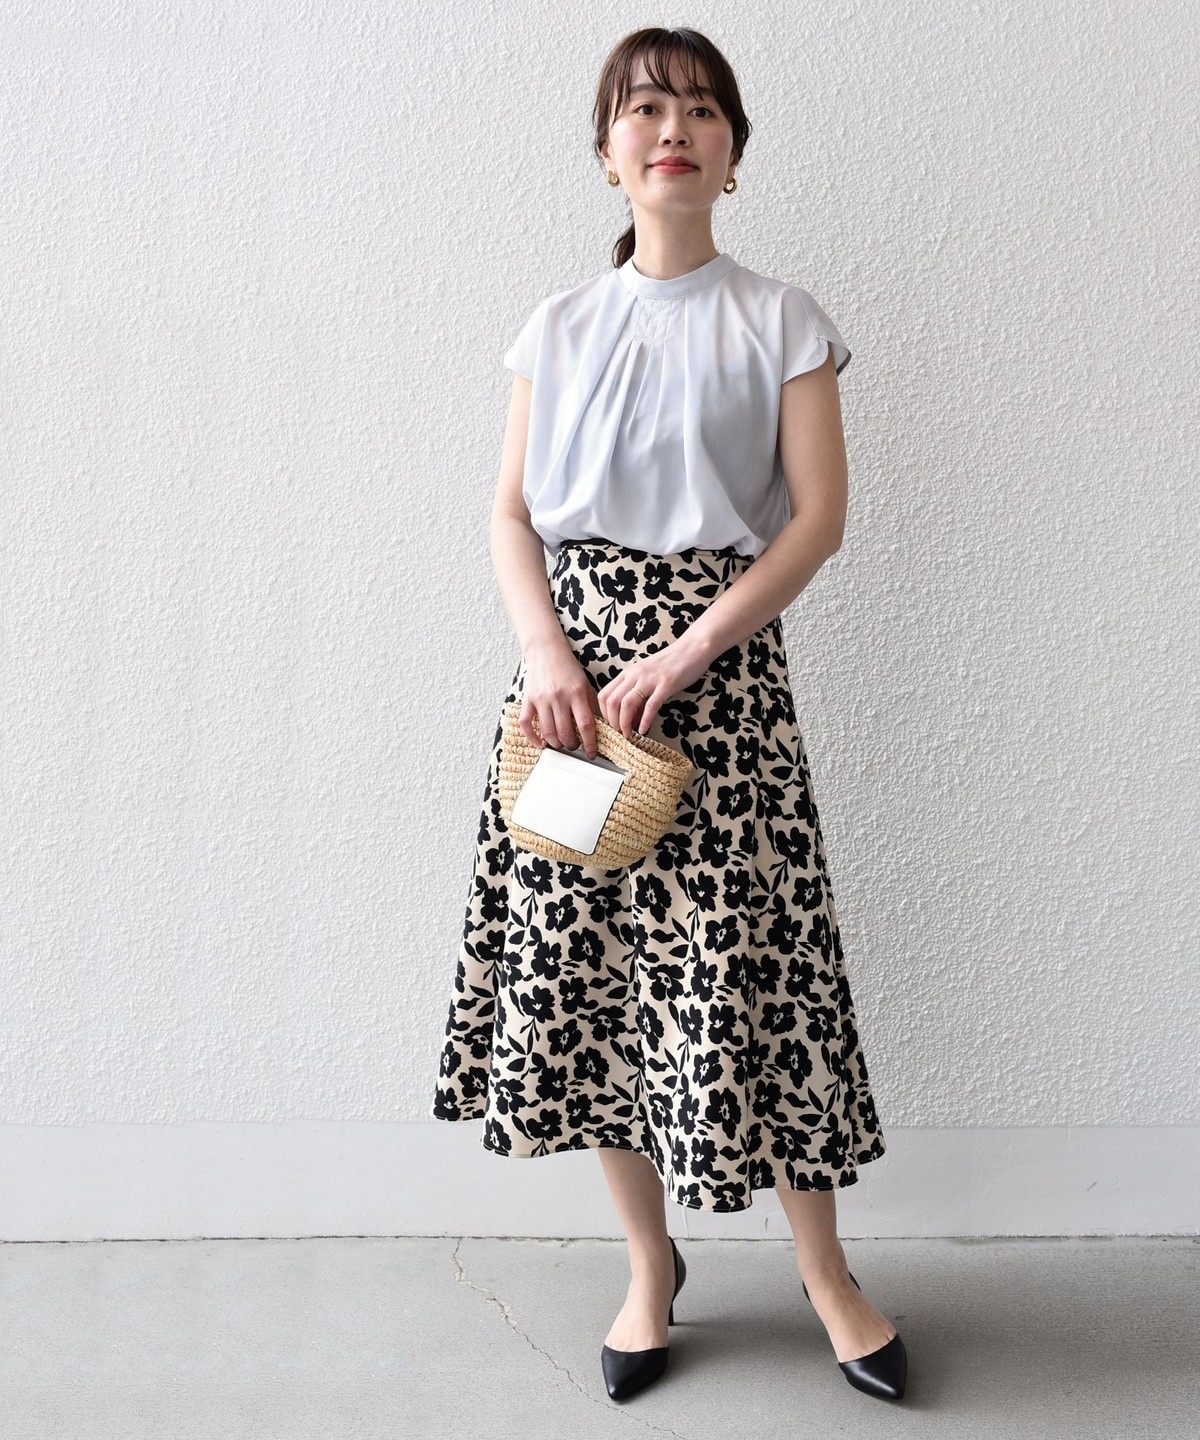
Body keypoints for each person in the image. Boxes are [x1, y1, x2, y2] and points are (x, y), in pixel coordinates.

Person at [431, 25, 907, 1405]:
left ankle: (828, 1276)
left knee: (762, 975)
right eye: (644, 109)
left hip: (724, 688)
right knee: (590, 983)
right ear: (607, 153)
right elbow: (512, 515)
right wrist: (547, 654)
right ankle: (650, 1266)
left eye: (701, 109)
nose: (673, 129)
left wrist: (690, 652)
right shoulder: (556, 327)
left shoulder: (782, 321)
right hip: (570, 700)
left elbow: (815, 522)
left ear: (733, 155)